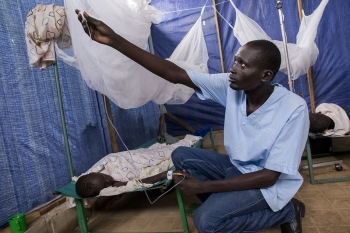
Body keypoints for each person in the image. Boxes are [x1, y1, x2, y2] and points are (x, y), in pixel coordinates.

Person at [76, 10, 310, 233]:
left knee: (206, 222)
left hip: (267, 184)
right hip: (238, 169)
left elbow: (270, 176)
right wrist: (113, 40)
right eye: (236, 61)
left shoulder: (293, 109)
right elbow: (174, 73)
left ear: (266, 75)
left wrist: (204, 186)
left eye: (243, 65)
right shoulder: (232, 87)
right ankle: (229, 203)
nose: (233, 69)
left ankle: (286, 211)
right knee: (180, 156)